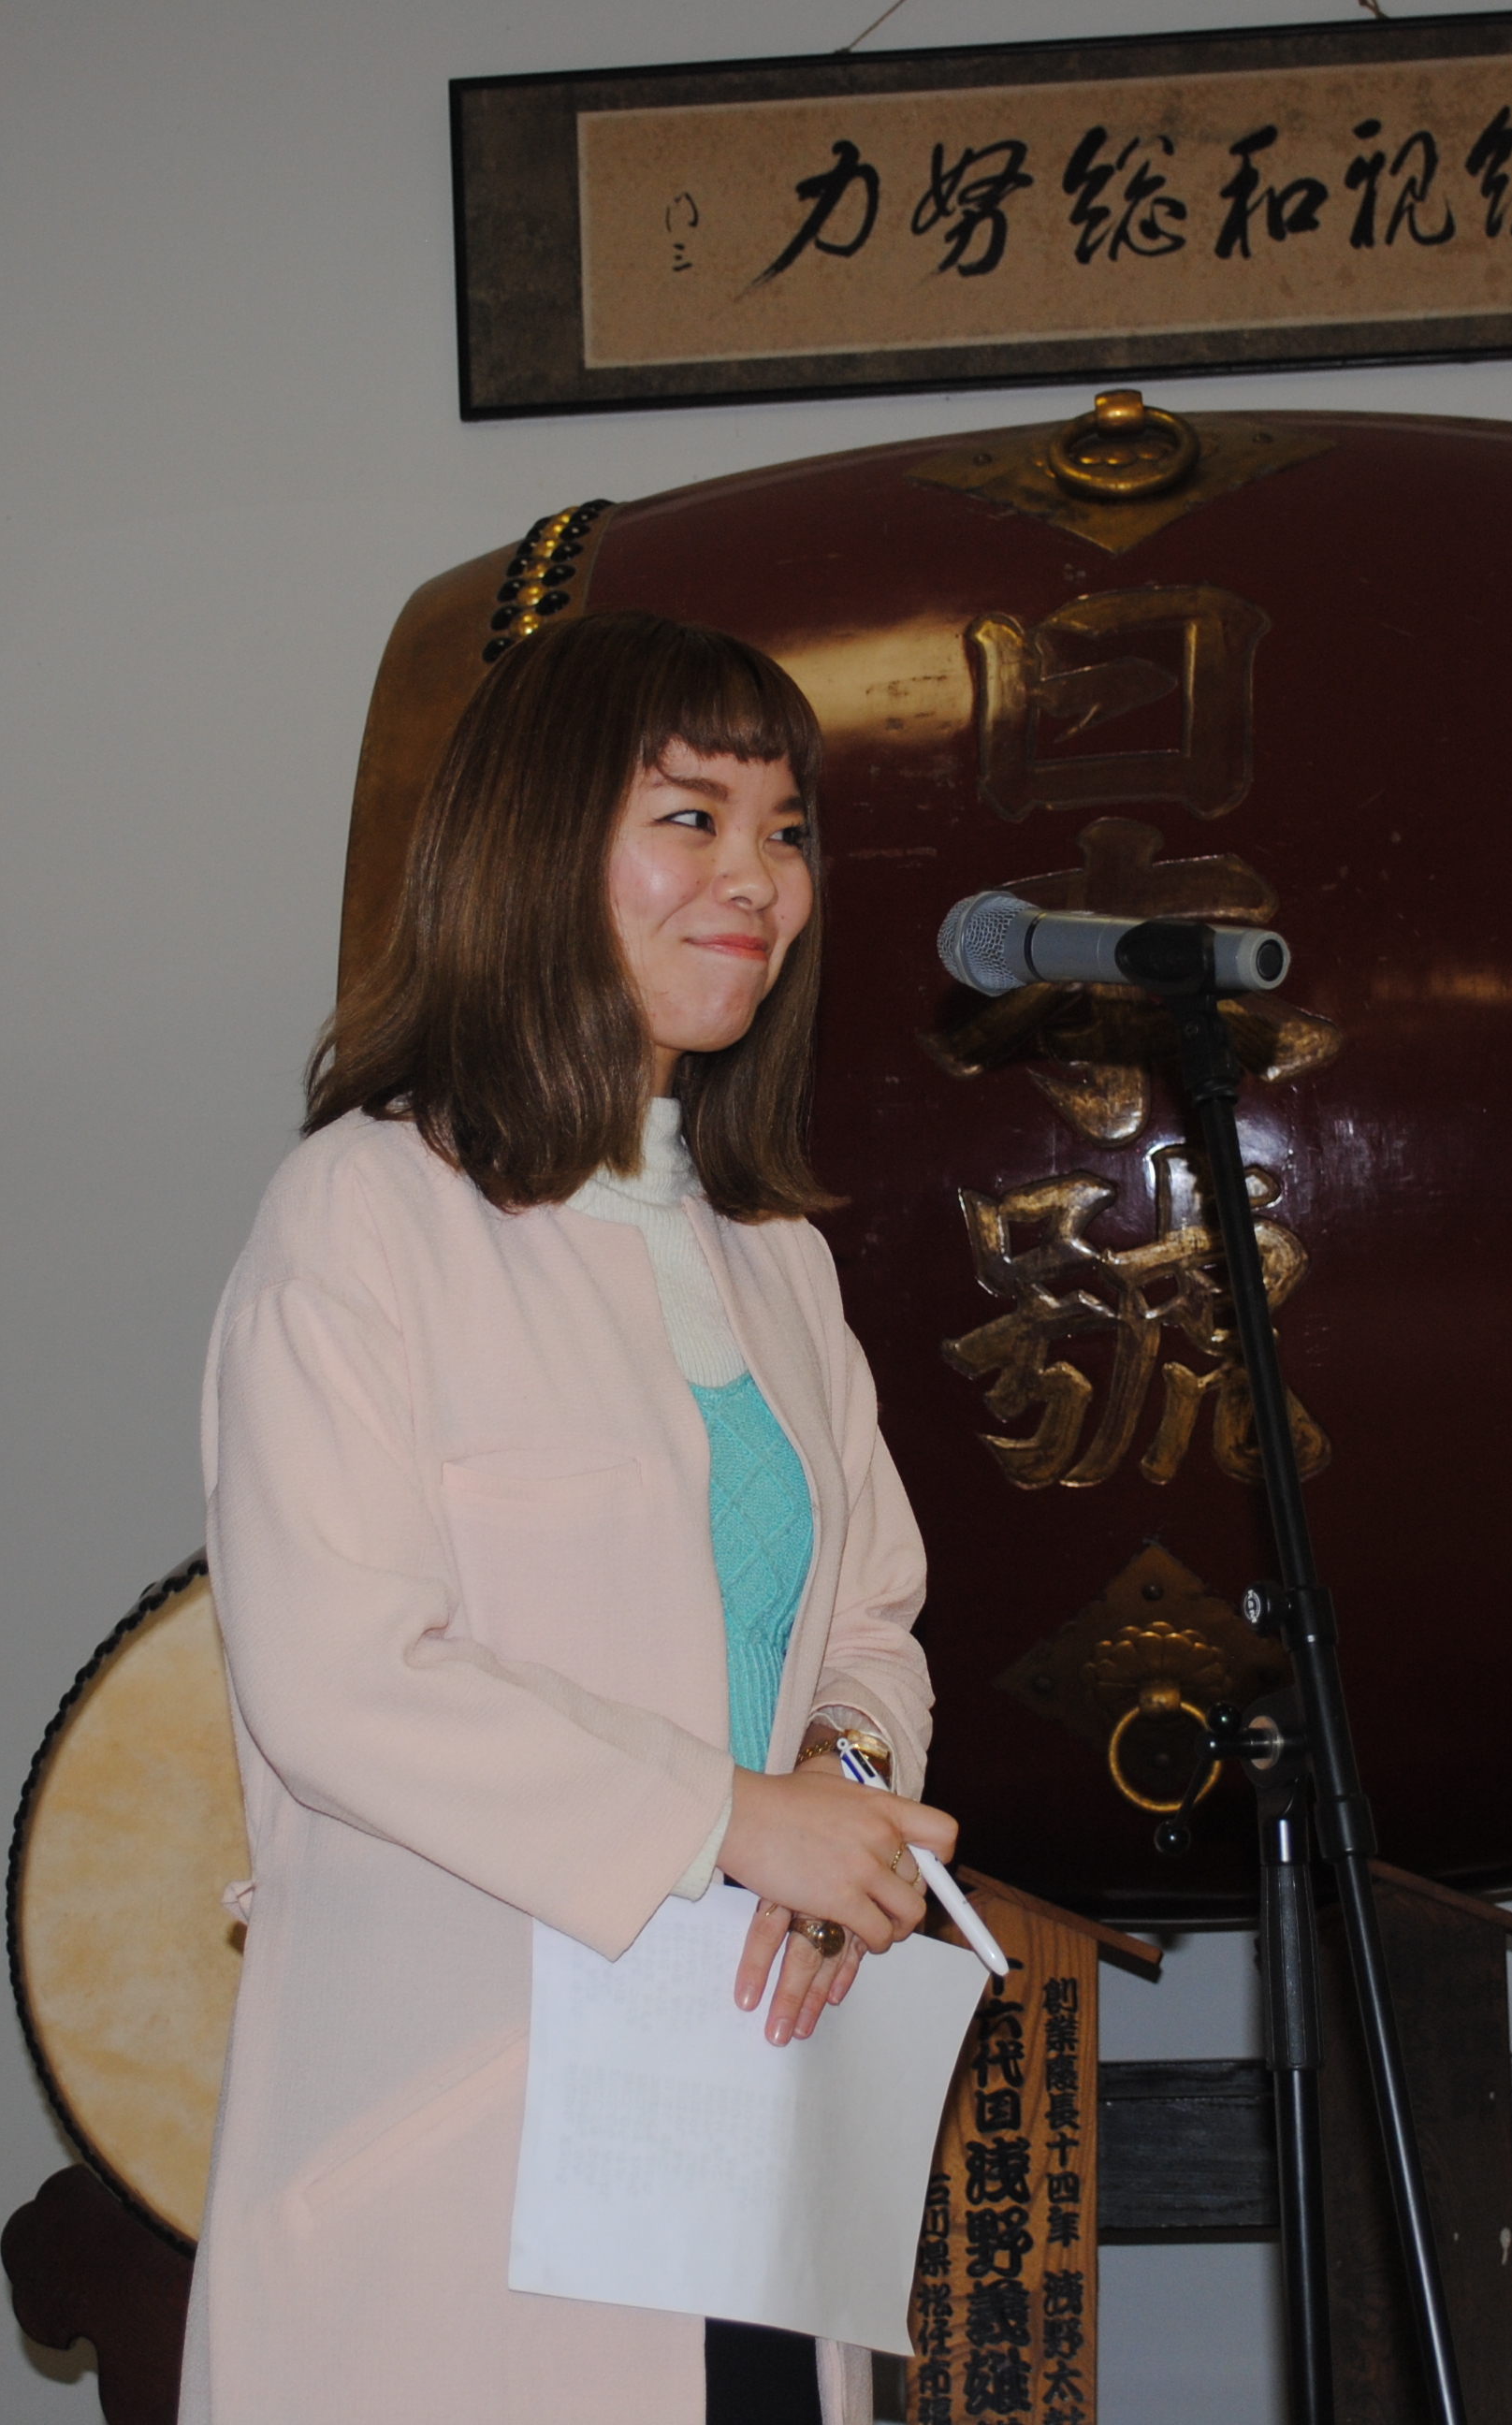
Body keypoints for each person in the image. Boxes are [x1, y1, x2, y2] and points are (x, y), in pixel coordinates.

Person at [182, 612, 957, 2425]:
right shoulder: (364, 1214)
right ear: (536, 849)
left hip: (740, 2115)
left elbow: (871, 1624)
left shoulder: (774, 1260)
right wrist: (733, 1819)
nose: (757, 879)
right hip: (465, 2132)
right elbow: (343, 1678)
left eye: (785, 832)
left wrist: (841, 1806)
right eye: (691, 818)